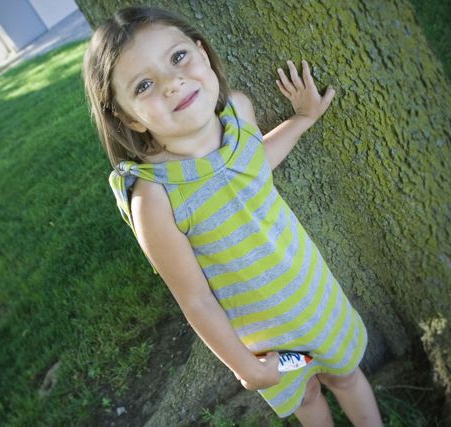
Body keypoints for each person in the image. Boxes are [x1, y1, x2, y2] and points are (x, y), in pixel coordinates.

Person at [83, 6, 382, 426]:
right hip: (263, 334)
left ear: (203, 53)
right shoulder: (154, 199)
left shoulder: (239, 111)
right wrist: (243, 366)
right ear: (129, 117)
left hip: (312, 293)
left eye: (178, 57)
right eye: (144, 85)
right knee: (307, 395)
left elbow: (254, 166)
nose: (172, 83)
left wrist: (302, 119)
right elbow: (195, 299)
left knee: (346, 376)